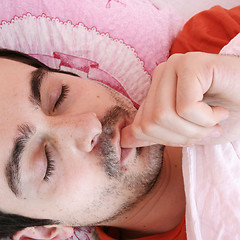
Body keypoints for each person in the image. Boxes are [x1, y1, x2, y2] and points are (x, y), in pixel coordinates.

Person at [0, 5, 240, 240]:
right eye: (46, 162)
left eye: (58, 97)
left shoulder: (212, 44)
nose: (88, 126)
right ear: (40, 232)